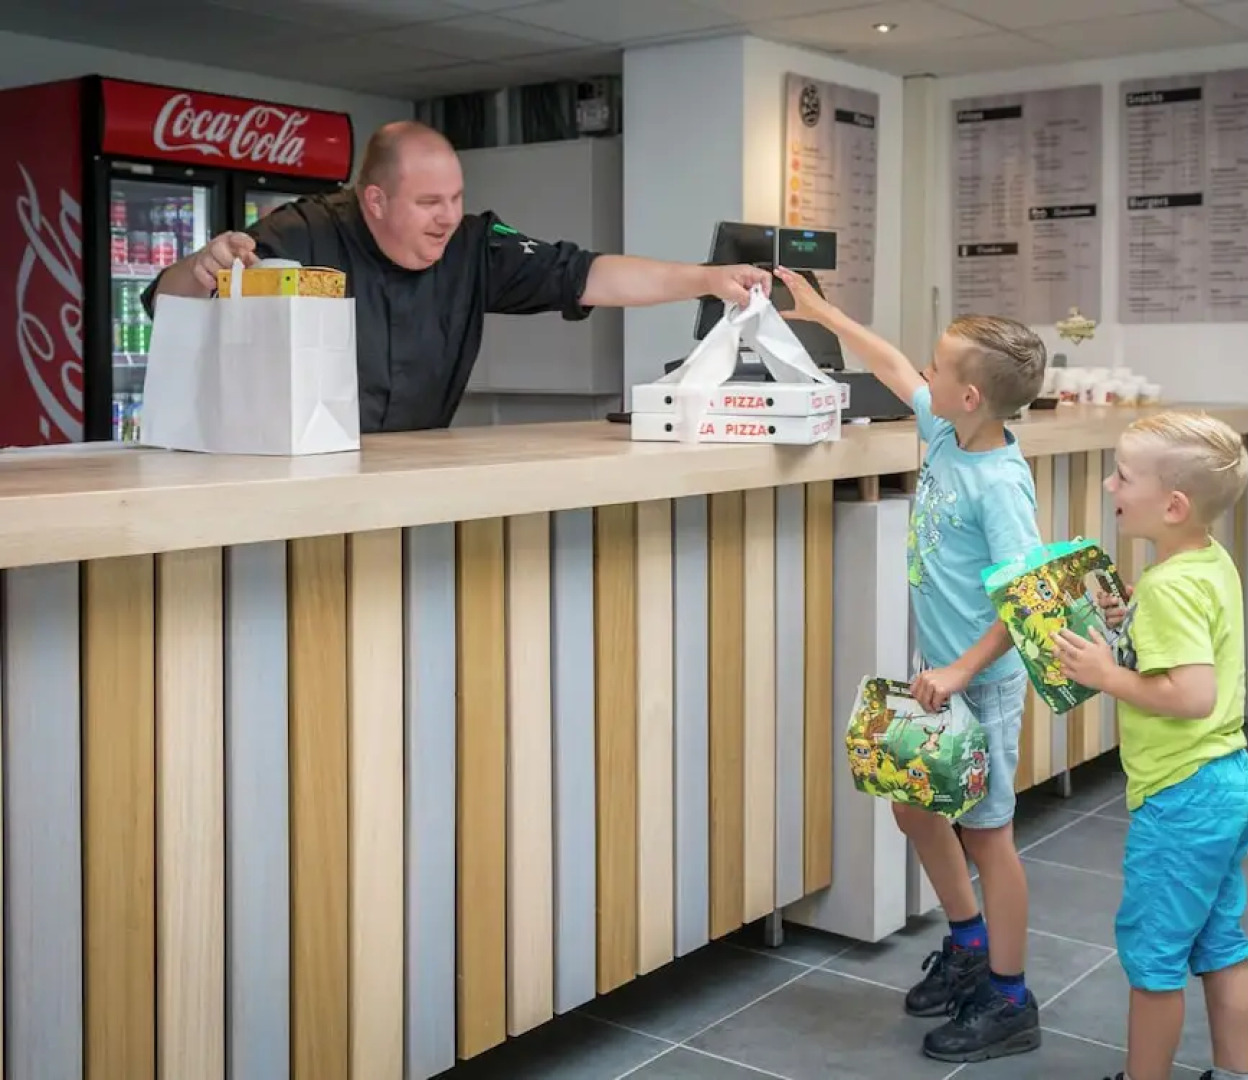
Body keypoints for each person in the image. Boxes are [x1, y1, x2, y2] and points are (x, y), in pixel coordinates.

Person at [774, 265, 1045, 1064]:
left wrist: (962, 669)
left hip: (982, 681)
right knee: (914, 808)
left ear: (970, 397)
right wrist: (825, 314)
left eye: (940, 367)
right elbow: (893, 365)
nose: (922, 374)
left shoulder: (1000, 483)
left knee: (987, 836)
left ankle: (1009, 996)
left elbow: (1027, 602)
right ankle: (967, 943)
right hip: (940, 671)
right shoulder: (945, 430)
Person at [143, 120, 770, 434]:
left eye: (456, 198)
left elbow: (589, 275)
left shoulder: (475, 243)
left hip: (416, 479)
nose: (448, 218)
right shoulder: (303, 231)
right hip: (300, 484)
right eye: (428, 204)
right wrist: (200, 270)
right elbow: (164, 305)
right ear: (376, 201)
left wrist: (707, 279)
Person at [1051, 411, 1248, 1080]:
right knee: (1222, 942)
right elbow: (1195, 628)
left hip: (1182, 795)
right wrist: (1135, 609)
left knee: (1154, 959)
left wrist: (1107, 673)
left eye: (1122, 475)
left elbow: (1192, 693)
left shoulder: (1171, 587)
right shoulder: (1206, 559)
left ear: (1171, 505)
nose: (1110, 481)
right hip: (1228, 780)